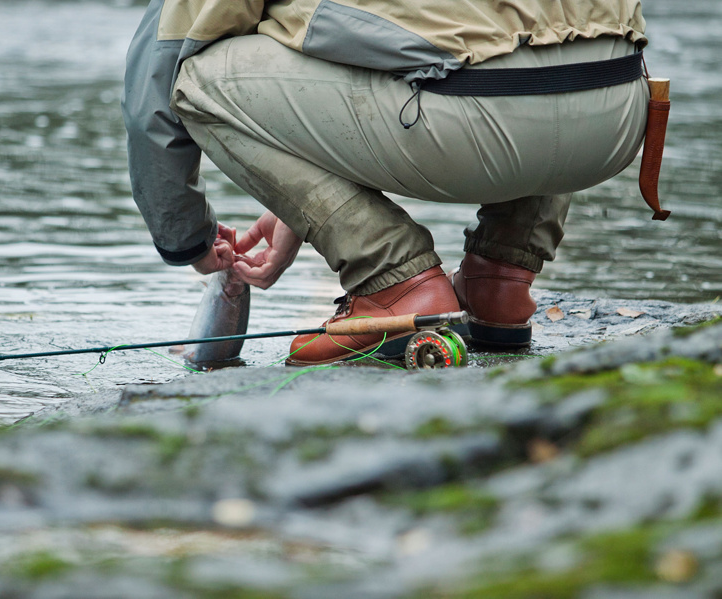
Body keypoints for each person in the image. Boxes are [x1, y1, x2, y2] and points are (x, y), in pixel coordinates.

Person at [122, 0, 648, 365]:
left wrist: (189, 241)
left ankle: (395, 282)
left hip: (473, 120)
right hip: (617, 116)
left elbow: (157, 79)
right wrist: (298, 201)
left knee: (197, 80)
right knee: (541, 46)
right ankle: (500, 280)